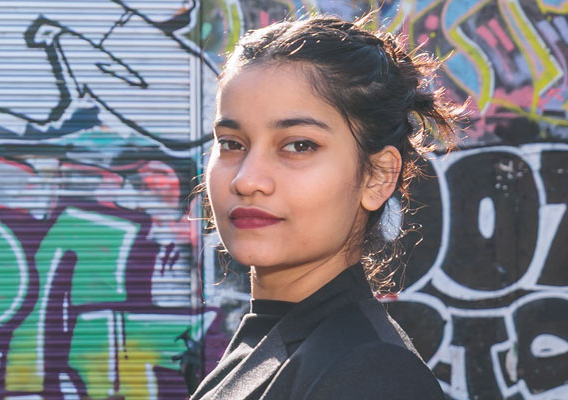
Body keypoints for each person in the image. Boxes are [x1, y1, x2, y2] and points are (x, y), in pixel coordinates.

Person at [189, 16, 457, 399]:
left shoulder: (369, 373)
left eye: (299, 145)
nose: (247, 180)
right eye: (232, 143)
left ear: (377, 176)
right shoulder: (275, 339)